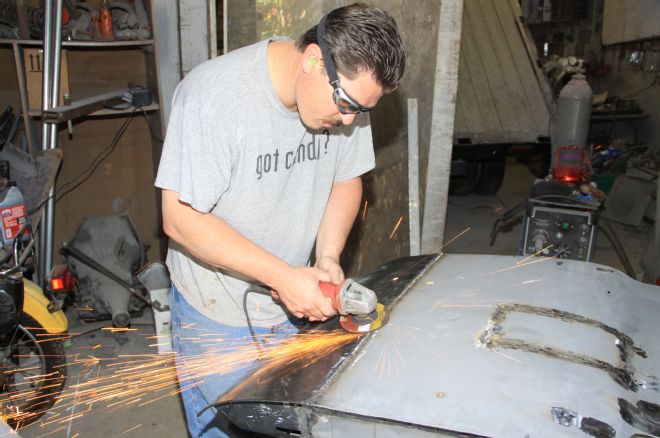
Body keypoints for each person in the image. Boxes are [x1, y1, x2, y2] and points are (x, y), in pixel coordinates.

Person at [154, 3, 405, 436]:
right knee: (225, 428)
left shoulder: (347, 98)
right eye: (345, 104)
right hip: (218, 310)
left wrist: (326, 256)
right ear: (312, 58)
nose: (348, 120)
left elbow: (346, 182)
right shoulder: (214, 96)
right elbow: (180, 219)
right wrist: (283, 276)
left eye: (360, 111)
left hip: (289, 309)